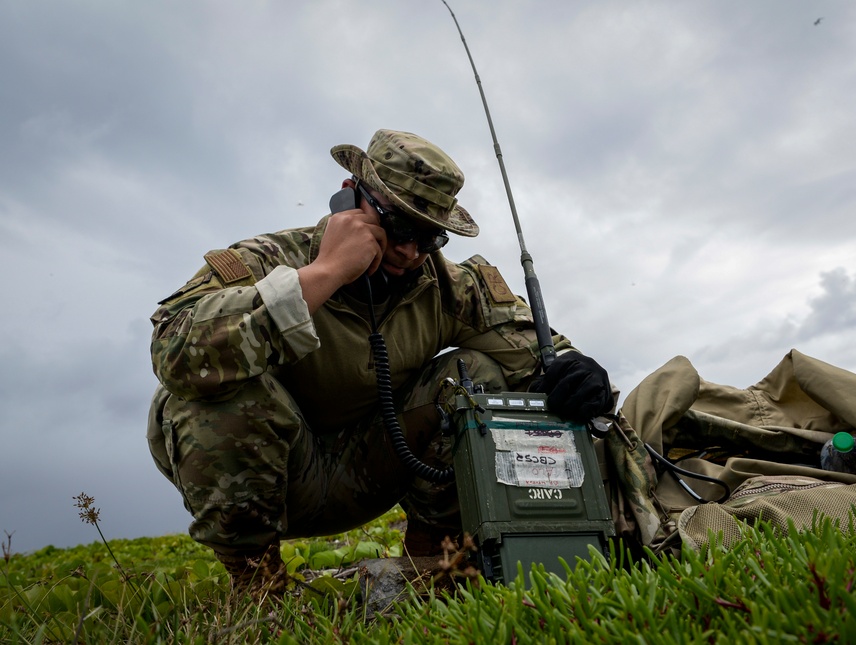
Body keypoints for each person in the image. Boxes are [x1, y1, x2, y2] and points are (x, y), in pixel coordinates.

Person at [146, 129, 614, 597]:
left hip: (371, 470)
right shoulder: (267, 259)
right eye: (400, 227)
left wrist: (573, 367)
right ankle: (258, 587)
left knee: (476, 373)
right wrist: (324, 274)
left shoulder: (446, 285)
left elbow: (533, 345)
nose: (410, 251)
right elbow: (175, 352)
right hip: (274, 478)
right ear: (349, 199)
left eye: (430, 236)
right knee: (214, 398)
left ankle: (434, 561)